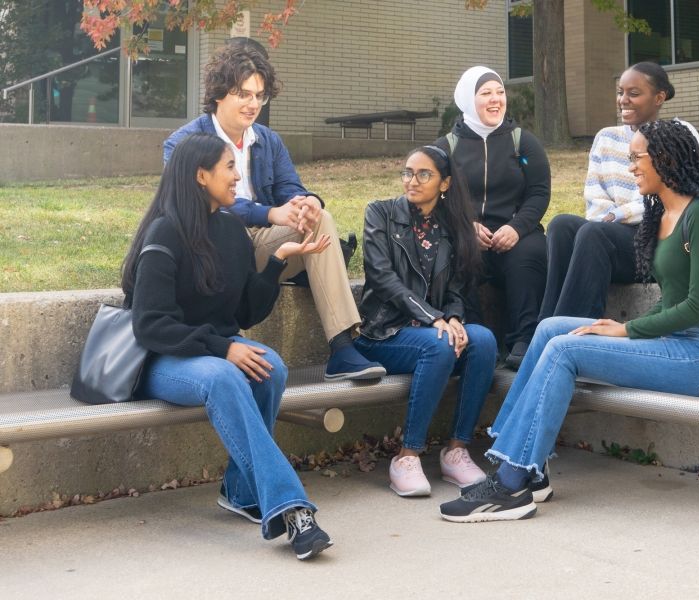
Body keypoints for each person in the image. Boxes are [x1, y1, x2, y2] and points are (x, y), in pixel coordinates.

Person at [440, 120, 699, 523]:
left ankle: (511, 484)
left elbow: (697, 307)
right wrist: (622, 326)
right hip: (673, 342)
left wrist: (627, 329)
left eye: (636, 158)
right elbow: (671, 301)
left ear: (667, 158)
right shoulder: (662, 216)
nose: (631, 168)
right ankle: (522, 472)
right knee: (550, 328)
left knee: (564, 349)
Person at [125, 133, 333, 559]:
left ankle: (240, 493)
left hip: (209, 349)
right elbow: (150, 326)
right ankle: (291, 508)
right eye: (229, 167)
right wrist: (221, 349)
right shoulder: (165, 232)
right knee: (224, 374)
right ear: (201, 176)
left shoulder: (231, 231)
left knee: (270, 366)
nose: (238, 176)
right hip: (162, 359)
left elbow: (242, 315)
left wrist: (276, 263)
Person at [164, 43, 384, 382]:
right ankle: (345, 347)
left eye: (259, 96)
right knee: (306, 222)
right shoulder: (184, 143)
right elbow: (194, 202)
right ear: (219, 93)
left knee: (319, 219)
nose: (253, 104)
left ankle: (342, 348)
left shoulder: (268, 140)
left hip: (264, 246)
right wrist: (270, 214)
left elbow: (291, 188)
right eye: (244, 94)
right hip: (214, 249)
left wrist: (308, 202)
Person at [354, 145, 498, 497]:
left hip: (432, 329)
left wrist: (453, 318)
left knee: (483, 340)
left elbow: (457, 288)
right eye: (407, 172)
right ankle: (407, 455)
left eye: (423, 174)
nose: (411, 180)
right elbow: (382, 278)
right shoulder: (381, 214)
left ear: (445, 183)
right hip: (384, 331)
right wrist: (435, 319)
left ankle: (457, 450)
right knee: (439, 345)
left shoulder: (453, 226)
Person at [538, 62, 699, 326]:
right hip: (613, 234)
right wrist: (612, 217)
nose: (623, 100)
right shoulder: (606, 137)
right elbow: (594, 200)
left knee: (594, 232)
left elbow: (690, 194)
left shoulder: (679, 135)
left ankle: (571, 334)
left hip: (661, 241)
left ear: (659, 97)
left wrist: (619, 214)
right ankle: (544, 327)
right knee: (562, 225)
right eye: (620, 92)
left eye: (634, 93)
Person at [435, 66, 551, 370]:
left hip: (515, 235)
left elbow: (538, 193)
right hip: (467, 236)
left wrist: (516, 227)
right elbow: (434, 197)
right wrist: (464, 225)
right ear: (467, 98)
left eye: (500, 92)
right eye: (486, 93)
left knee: (532, 252)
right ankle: (477, 340)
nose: (495, 99)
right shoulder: (446, 148)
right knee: (457, 254)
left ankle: (524, 339)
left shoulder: (523, 143)